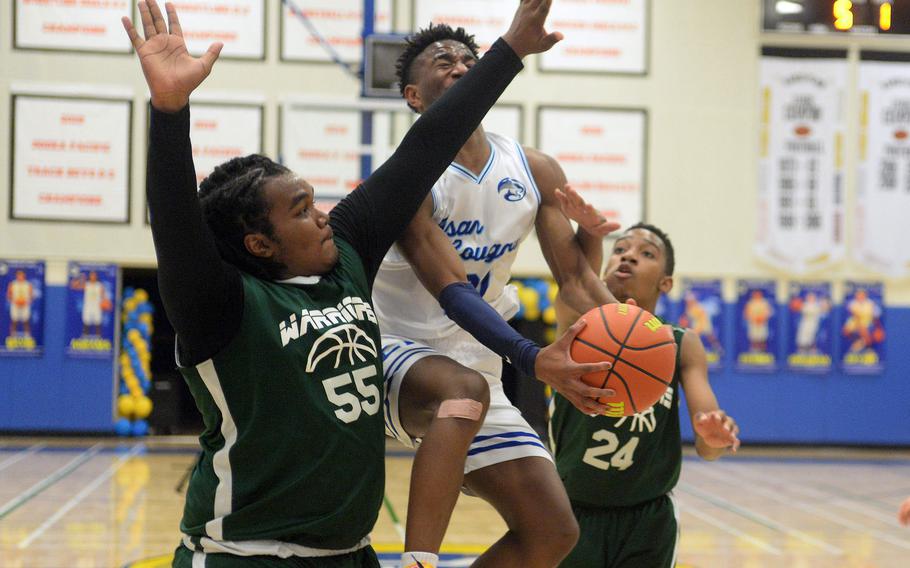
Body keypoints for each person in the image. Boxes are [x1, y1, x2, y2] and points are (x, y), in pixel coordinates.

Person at [121, 1, 557, 566]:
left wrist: (511, 50)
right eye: (301, 211)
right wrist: (169, 110)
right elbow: (177, 223)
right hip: (244, 554)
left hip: (350, 555)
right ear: (260, 243)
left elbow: (425, 149)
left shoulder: (347, 256)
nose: (323, 215)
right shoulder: (220, 306)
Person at [371, 23, 621, 568]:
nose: (460, 66)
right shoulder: (408, 175)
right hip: (396, 349)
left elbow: (576, 280)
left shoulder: (534, 169)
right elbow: (452, 291)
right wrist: (530, 358)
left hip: (478, 364)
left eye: (468, 58)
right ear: (413, 97)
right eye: (442, 61)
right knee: (460, 391)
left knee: (551, 531)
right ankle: (419, 562)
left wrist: (634, 335)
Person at [550, 223, 741, 568]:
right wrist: (590, 233)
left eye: (646, 253)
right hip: (570, 509)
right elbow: (574, 282)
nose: (629, 256)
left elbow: (707, 446)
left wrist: (713, 435)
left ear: (665, 282)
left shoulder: (682, 344)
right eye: (620, 249)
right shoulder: (577, 323)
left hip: (648, 519)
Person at [6, 270, 33, 337]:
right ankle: (12, 337)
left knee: (26, 321)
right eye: (18, 275)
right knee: (14, 321)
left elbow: (31, 296)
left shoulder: (28, 284)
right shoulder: (12, 284)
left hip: (25, 305)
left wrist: (26, 301)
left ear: (24, 275)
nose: (20, 276)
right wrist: (14, 301)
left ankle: (27, 337)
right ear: (16, 276)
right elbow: (8, 295)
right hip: (15, 305)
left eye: (21, 275)